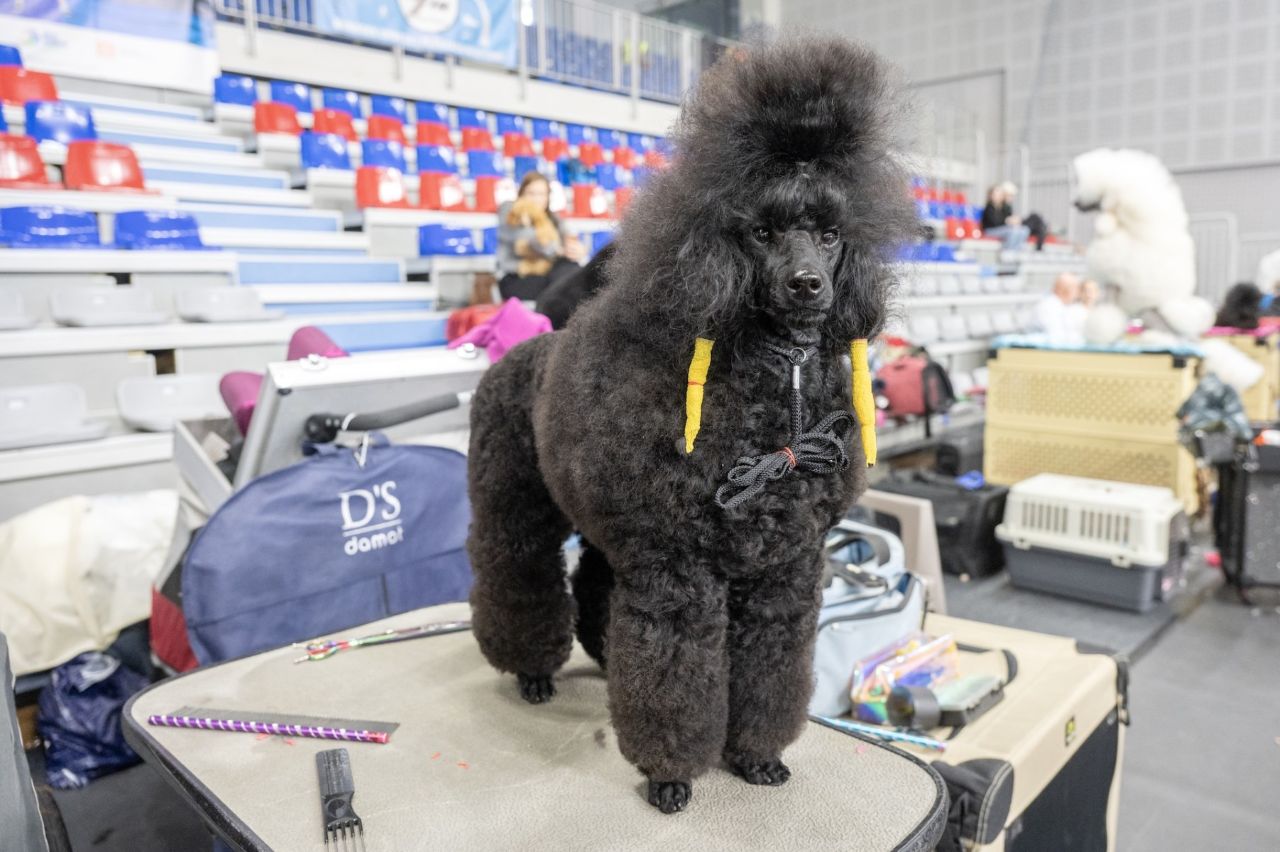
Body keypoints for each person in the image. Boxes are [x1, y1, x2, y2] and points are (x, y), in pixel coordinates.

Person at [497, 172, 586, 301]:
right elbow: (530, 239)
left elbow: (568, 237)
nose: (536, 199)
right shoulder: (510, 210)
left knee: (571, 270)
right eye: (531, 193)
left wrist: (577, 250)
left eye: (541, 194)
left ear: (548, 197)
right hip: (516, 277)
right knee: (565, 284)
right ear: (521, 194)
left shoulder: (553, 218)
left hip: (548, 275)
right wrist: (557, 250)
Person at [1032, 272, 1082, 343]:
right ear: (1066, 289)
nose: (1078, 293)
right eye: (1076, 288)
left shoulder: (1064, 306)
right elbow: (1056, 337)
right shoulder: (1048, 306)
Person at [981, 182, 1031, 252]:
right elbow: (994, 222)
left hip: (1003, 228)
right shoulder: (989, 208)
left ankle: (1017, 251)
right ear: (991, 195)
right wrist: (1007, 221)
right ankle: (1008, 252)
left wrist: (1014, 221)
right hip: (991, 230)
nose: (998, 196)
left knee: (1024, 230)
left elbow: (1010, 217)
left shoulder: (1005, 207)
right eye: (996, 194)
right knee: (1013, 232)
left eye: (1000, 194)